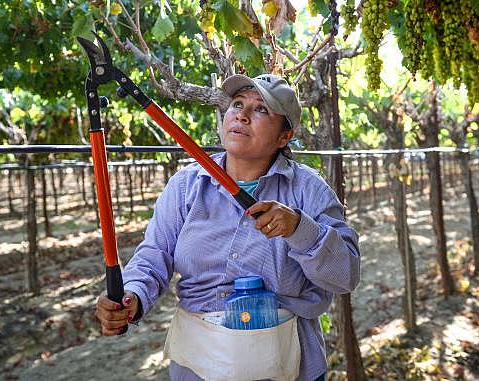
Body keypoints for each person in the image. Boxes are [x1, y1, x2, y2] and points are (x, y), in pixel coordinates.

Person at [95, 74, 361, 381]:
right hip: (198, 364)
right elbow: (154, 256)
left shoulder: (310, 191)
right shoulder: (186, 186)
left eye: (261, 109)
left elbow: (346, 276)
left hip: (287, 366)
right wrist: (132, 295)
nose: (242, 115)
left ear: (284, 136)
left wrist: (301, 229)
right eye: (237, 104)